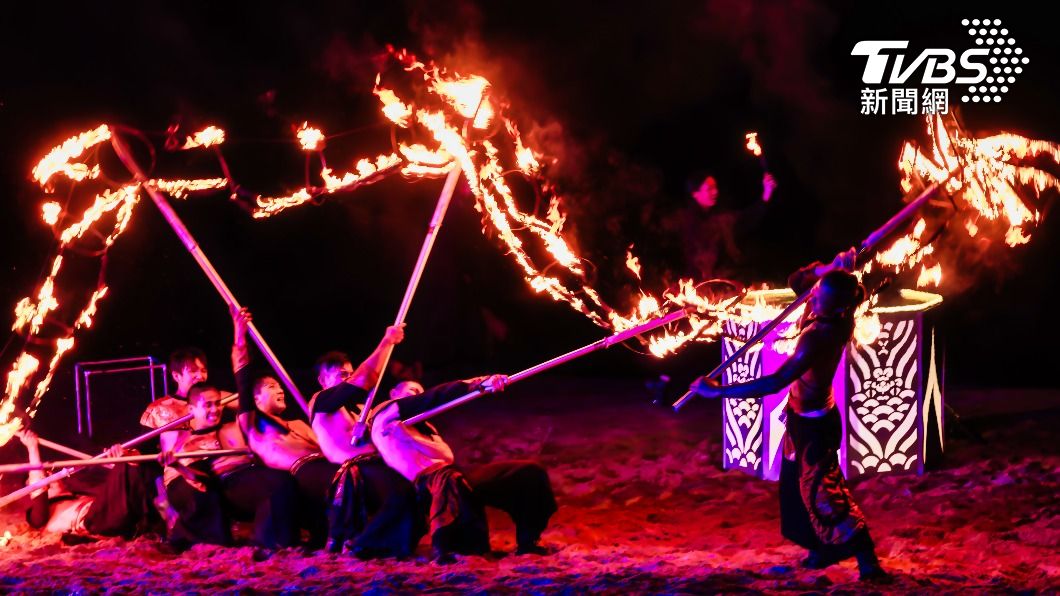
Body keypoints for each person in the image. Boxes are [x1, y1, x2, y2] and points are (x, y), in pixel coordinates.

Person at [688, 248, 890, 582]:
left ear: (835, 305)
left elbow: (776, 381)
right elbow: (797, 280)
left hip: (816, 427)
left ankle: (868, 560)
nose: (811, 294)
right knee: (797, 492)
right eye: (816, 290)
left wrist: (719, 390)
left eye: (819, 294)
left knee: (826, 494)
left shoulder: (823, 335)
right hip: (800, 421)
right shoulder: (824, 310)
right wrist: (828, 267)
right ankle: (820, 549)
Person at [302, 328, 422, 558]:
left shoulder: (359, 410)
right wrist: (386, 342)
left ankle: (389, 544)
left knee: (413, 488)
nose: (347, 378)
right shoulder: (320, 402)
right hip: (356, 468)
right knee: (400, 492)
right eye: (340, 374)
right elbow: (364, 379)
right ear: (322, 380)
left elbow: (368, 382)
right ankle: (361, 543)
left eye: (349, 373)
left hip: (377, 463)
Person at [230, 309, 337, 550]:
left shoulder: (299, 423)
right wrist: (239, 337)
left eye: (280, 386)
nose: (280, 390)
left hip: (322, 466)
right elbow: (243, 378)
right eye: (271, 386)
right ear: (255, 398)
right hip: (301, 473)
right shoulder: (253, 423)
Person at [163, 381, 299, 551]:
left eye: (218, 403)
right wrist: (177, 465)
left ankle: (283, 540)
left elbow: (252, 415)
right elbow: (200, 479)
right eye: (208, 405)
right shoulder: (188, 444)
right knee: (276, 484)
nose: (215, 410)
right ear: (191, 410)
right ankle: (269, 543)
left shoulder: (232, 427)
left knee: (285, 481)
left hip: (249, 474)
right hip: (228, 485)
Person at [18, 430, 156, 541]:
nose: (49, 476)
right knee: (130, 465)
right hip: (96, 522)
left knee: (143, 467)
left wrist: (118, 461)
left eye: (50, 472)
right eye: (44, 474)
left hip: (127, 518)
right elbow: (39, 490)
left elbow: (120, 492)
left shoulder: (79, 495)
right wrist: (32, 449)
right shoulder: (36, 516)